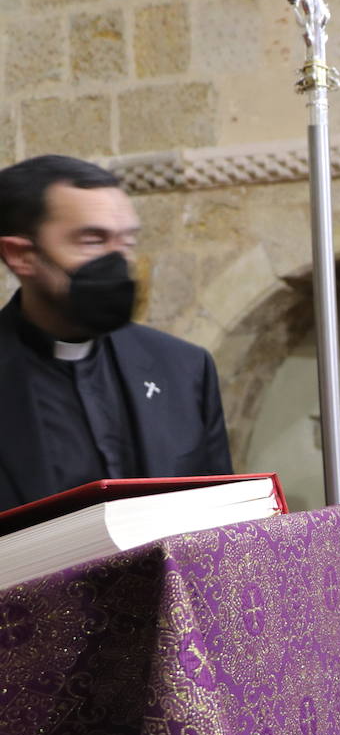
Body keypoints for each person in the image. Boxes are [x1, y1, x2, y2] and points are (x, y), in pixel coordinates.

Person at [0, 155, 231, 511]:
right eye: (92, 240)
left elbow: (223, 524)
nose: (117, 262)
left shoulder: (184, 368)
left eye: (125, 242)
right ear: (21, 256)